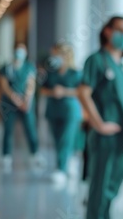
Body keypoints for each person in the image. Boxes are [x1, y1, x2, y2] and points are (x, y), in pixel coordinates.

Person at [78, 16, 123, 219]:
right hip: (105, 137)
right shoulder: (96, 60)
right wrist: (99, 125)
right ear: (107, 31)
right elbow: (83, 93)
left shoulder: (122, 64)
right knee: (100, 189)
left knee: (112, 188)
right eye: (121, 30)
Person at [40, 43, 82, 184]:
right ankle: (66, 162)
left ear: (65, 56)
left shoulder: (75, 73)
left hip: (70, 111)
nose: (54, 57)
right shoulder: (50, 72)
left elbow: (82, 92)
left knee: (66, 139)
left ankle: (61, 169)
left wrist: (64, 91)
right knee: (57, 141)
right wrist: (53, 92)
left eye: (57, 54)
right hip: (53, 110)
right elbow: (42, 89)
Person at [0, 42, 43, 172]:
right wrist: (15, 99)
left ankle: (34, 154)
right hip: (9, 103)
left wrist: (26, 100)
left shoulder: (29, 67)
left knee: (30, 128)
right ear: (14, 52)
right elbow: (4, 85)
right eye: (17, 51)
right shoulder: (6, 67)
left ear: (26, 53)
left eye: (22, 51)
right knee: (8, 129)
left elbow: (31, 84)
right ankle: (6, 156)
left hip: (26, 103)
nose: (19, 54)